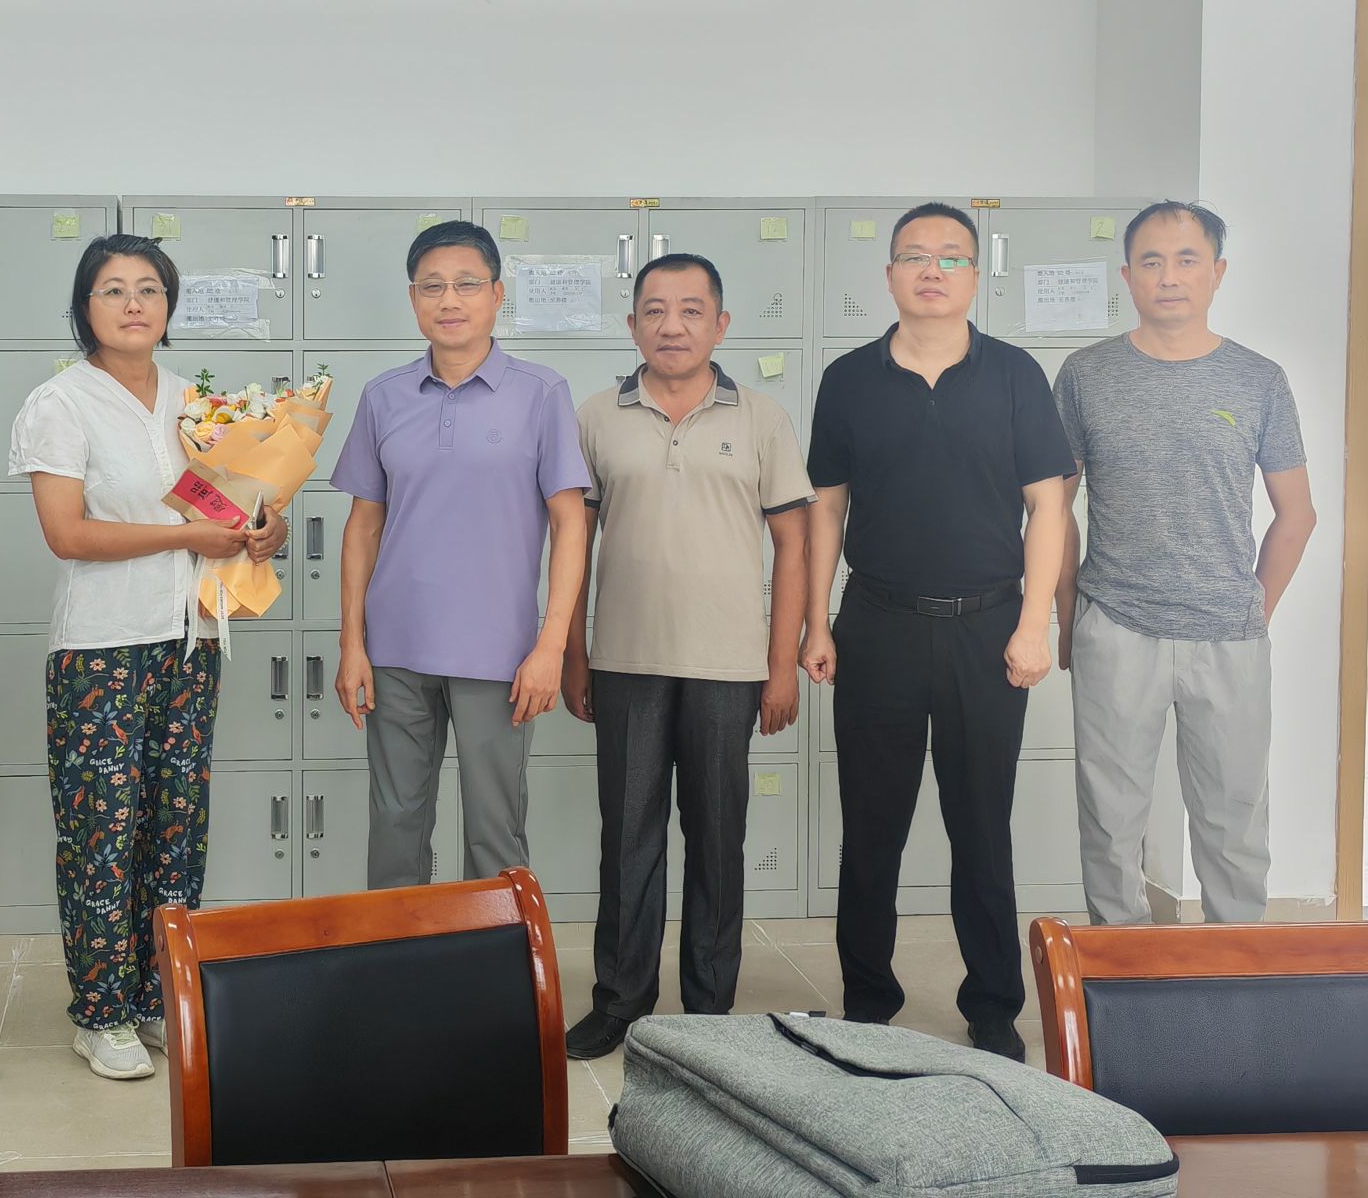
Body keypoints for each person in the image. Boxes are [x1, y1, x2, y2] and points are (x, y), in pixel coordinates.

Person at [10, 234, 287, 1081]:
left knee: (176, 827)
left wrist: (263, 532)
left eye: (149, 289)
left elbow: (238, 507)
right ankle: (100, 1012)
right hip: (101, 649)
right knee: (103, 831)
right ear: (84, 306)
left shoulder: (197, 402)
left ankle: (157, 996)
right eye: (112, 289)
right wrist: (186, 535)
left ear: (168, 307)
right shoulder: (61, 402)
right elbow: (66, 534)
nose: (133, 304)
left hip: (191, 640)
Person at [802, 201, 1072, 1062]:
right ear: (888, 274)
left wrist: (1035, 626)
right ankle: (867, 1000)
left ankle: (992, 1004)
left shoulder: (1015, 375)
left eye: (951, 257)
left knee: (982, 826)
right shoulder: (848, 378)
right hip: (876, 624)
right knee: (870, 826)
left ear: (975, 275)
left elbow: (1049, 507)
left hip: (987, 630)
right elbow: (826, 509)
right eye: (915, 255)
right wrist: (817, 621)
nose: (933, 270)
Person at [560, 253, 813, 1059]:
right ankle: (620, 1000)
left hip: (729, 667)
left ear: (721, 324)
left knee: (716, 837)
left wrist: (781, 665)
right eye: (655, 311)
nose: (672, 326)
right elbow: (573, 544)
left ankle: (708, 1008)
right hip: (625, 661)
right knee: (627, 837)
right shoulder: (596, 417)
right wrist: (573, 654)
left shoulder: (762, 418)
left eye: (691, 310)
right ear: (632, 324)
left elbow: (794, 544)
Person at [1054, 201, 1313, 925]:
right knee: (1110, 824)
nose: (1169, 276)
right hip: (1116, 625)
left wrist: (1253, 608)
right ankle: (1120, 974)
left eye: (1187, 260)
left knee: (1235, 826)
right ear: (1128, 276)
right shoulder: (1085, 375)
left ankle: (1234, 975)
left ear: (1217, 273)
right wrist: (1068, 619)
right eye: (1152, 261)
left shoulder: (1258, 379)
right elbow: (1053, 509)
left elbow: (1298, 514)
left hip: (1229, 636)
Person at [331, 220, 589, 889]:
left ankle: (494, 957)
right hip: (395, 651)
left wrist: (551, 647)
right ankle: (400, 953)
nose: (449, 300)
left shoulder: (541, 393)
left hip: (500, 656)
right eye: (432, 286)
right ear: (413, 298)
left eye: (467, 284)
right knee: (395, 824)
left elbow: (571, 525)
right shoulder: (384, 396)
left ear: (497, 294)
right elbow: (362, 529)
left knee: (495, 833)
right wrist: (352, 644)